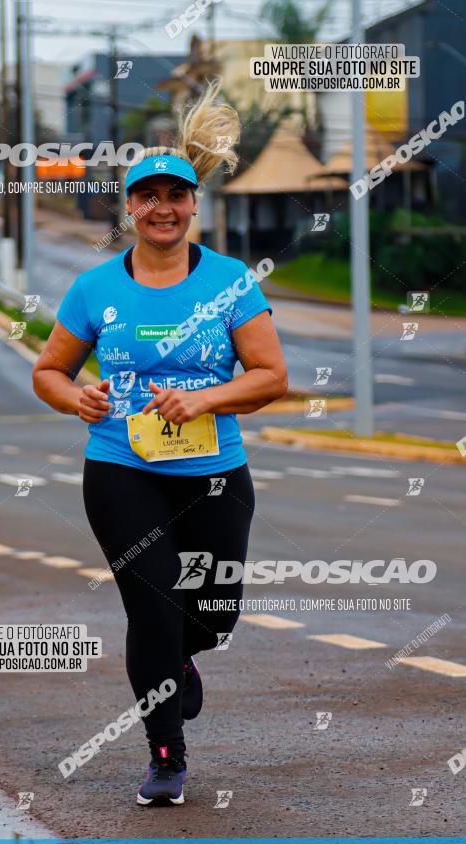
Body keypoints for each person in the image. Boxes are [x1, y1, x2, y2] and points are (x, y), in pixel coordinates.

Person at [32, 80, 288, 806]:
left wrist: (206, 397)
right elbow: (47, 371)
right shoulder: (93, 287)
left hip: (213, 471)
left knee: (210, 614)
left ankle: (185, 654)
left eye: (175, 196)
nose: (162, 209)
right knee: (150, 610)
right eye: (148, 197)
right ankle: (166, 755)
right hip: (121, 468)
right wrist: (74, 396)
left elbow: (271, 376)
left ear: (190, 204)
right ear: (131, 207)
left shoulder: (232, 282)